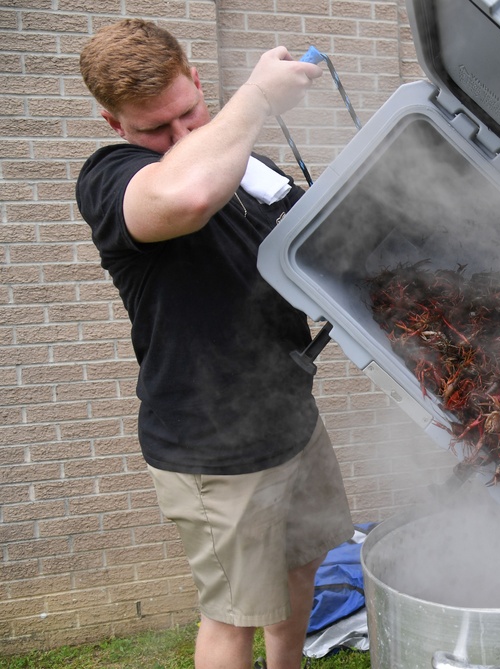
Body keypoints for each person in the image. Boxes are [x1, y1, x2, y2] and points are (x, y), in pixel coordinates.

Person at [76, 19, 354, 669]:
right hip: (213, 450)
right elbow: (189, 194)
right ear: (116, 126)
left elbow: (308, 245)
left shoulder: (248, 165)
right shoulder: (112, 178)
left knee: (298, 578)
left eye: (188, 113)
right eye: (154, 130)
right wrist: (256, 97)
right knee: (232, 619)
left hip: (291, 418)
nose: (180, 138)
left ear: (198, 81)